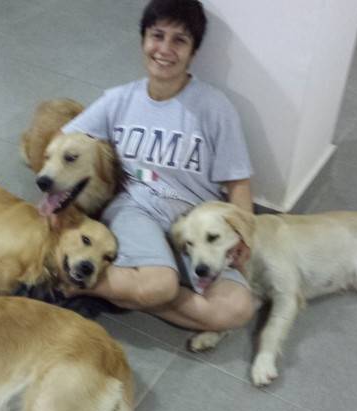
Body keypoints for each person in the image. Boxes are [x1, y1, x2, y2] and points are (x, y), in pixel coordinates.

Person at [60, 0, 256, 332]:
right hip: (135, 210)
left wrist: (245, 238)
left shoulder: (214, 107)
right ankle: (64, 281)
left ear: (193, 51)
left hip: (194, 227)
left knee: (236, 309)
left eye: (179, 40)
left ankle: (123, 292)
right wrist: (59, 196)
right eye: (157, 36)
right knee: (162, 284)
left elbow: (238, 184)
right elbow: (63, 144)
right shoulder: (119, 99)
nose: (165, 49)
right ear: (143, 40)